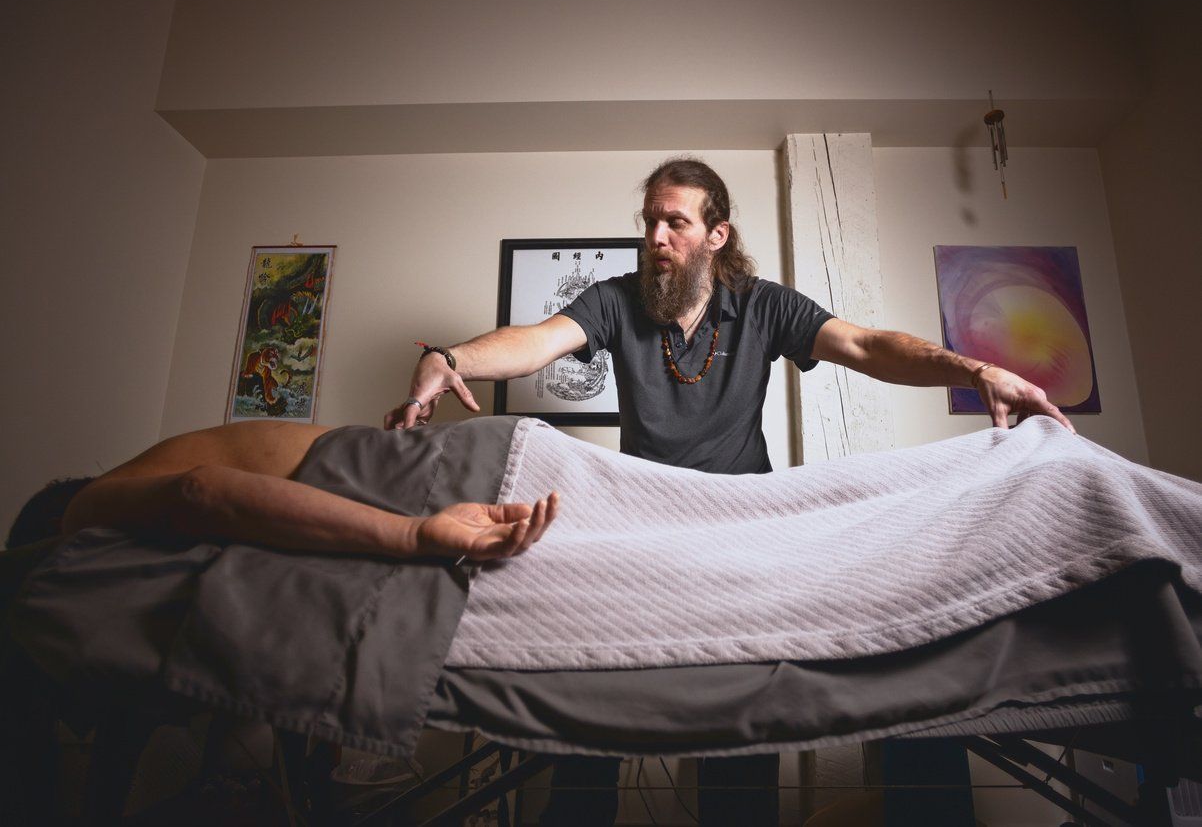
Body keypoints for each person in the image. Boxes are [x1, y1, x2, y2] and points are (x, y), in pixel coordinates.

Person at [383, 157, 1075, 826]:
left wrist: (973, 367)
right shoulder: (615, 300)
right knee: (584, 698)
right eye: (650, 221)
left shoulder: (763, 306)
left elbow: (864, 345)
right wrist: (450, 359)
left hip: (747, 541)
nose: (656, 236)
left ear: (716, 235)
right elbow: (535, 342)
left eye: (675, 223)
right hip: (643, 536)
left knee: (742, 729)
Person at [8, 420, 558, 561]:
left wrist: (414, 535)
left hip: (409, 475)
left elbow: (201, 492)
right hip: (433, 463)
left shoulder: (83, 512)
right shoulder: (149, 465)